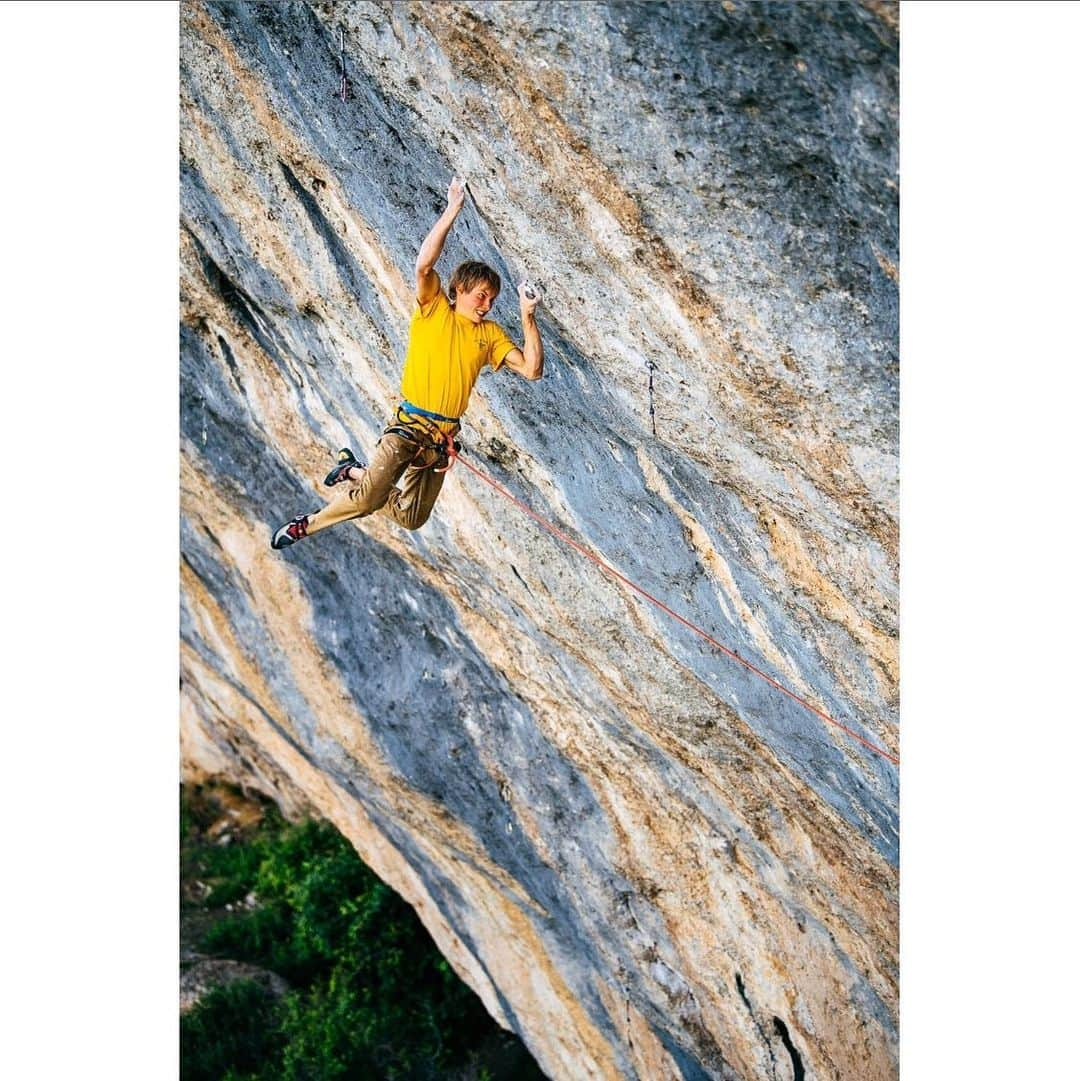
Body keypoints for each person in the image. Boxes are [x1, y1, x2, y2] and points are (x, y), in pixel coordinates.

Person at [271, 177, 544, 550]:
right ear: (460, 289)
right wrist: (452, 210)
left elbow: (531, 369)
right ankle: (308, 524)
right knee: (367, 501)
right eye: (482, 296)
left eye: (493, 300)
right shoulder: (434, 311)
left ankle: (352, 470)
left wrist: (527, 316)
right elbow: (423, 265)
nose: (487, 305)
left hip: (440, 441)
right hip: (407, 430)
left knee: (413, 517)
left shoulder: (491, 335)